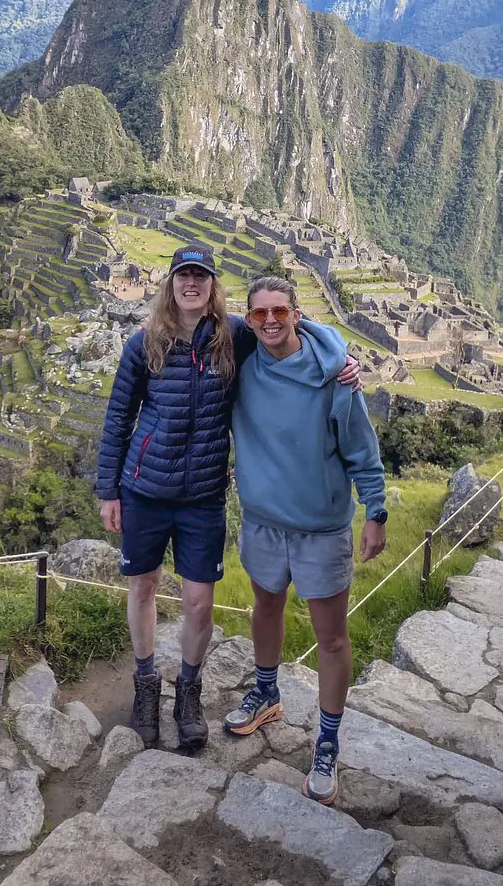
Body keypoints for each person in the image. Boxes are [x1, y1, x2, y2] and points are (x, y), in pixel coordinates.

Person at [97, 245, 360, 751]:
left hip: (202, 494)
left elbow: (291, 327)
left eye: (201, 275)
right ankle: (145, 684)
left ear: (212, 284)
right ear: (171, 283)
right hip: (145, 487)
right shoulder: (143, 343)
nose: (191, 283)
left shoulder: (234, 336)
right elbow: (118, 418)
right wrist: (109, 489)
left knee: (199, 604)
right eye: (183, 275)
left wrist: (343, 359)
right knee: (143, 587)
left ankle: (188, 692)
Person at [223, 275, 387, 806]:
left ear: (298, 315)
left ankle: (328, 741)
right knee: (265, 608)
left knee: (331, 636)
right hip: (263, 521)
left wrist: (376, 510)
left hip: (321, 526)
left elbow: (361, 449)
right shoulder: (241, 368)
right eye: (260, 313)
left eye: (280, 311)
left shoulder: (334, 376)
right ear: (249, 320)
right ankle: (267, 692)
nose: (270, 321)